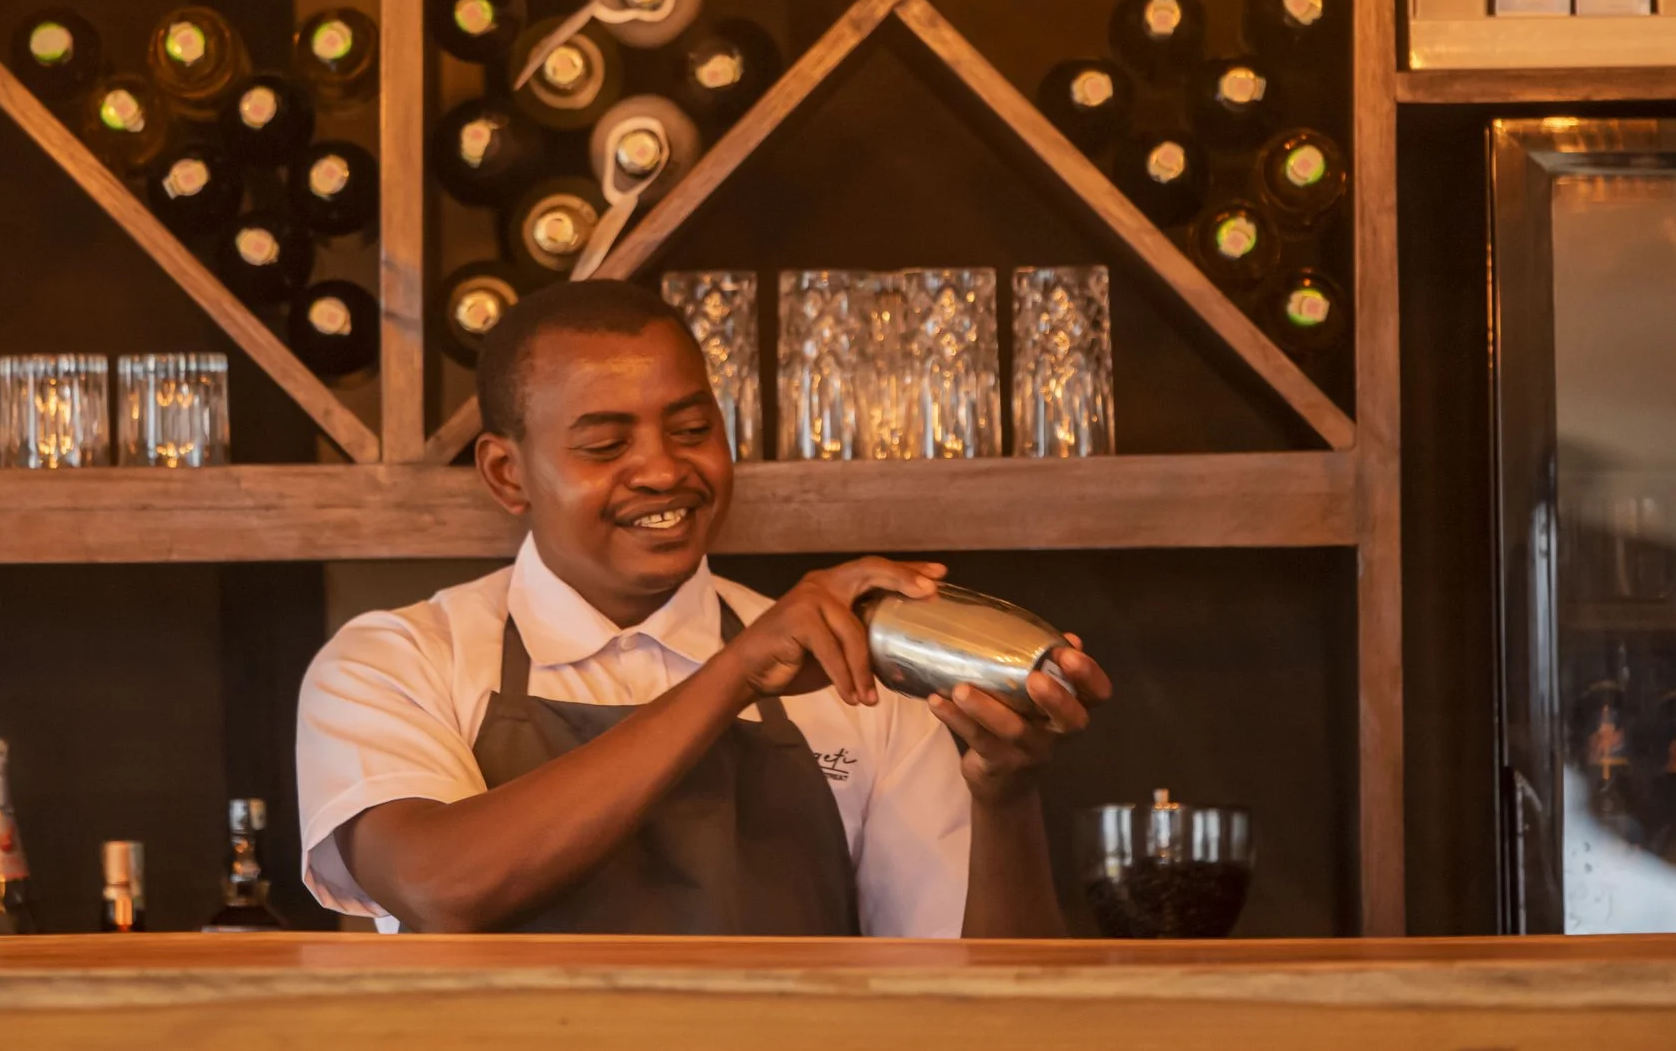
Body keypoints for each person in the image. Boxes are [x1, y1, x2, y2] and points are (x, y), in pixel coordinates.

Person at [294, 280, 1111, 936]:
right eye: (606, 444)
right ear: (507, 473)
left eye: (691, 426)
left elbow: (987, 1002)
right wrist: (734, 673)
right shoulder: (397, 660)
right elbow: (444, 883)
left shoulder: (857, 675)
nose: (663, 469)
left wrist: (1004, 797)